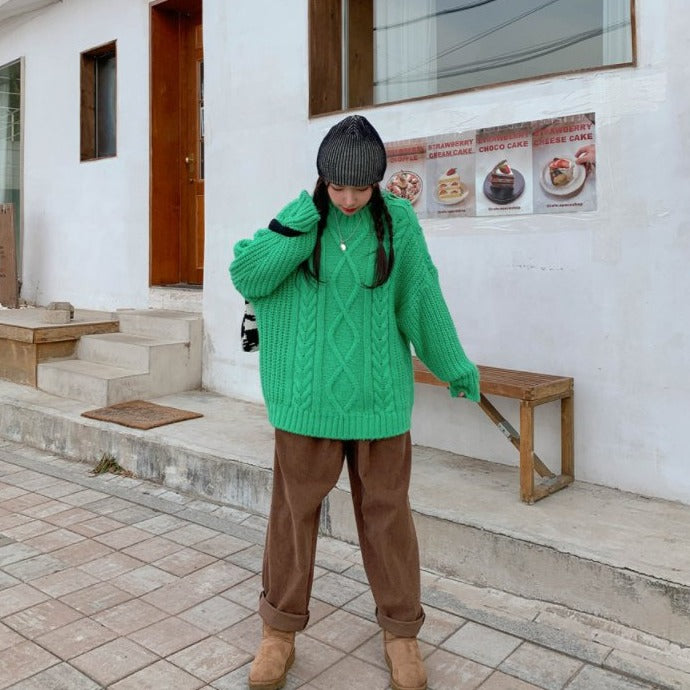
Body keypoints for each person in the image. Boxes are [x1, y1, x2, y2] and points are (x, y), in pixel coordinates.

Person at [230, 114, 480, 690]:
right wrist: (298, 219)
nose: (348, 199)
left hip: (381, 403)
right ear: (321, 179)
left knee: (389, 520)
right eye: (337, 186)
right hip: (305, 404)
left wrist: (453, 364)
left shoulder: (399, 223)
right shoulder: (301, 222)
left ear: (378, 182)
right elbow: (247, 275)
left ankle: (402, 635)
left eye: (360, 188)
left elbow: (421, 299)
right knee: (292, 520)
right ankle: (278, 633)